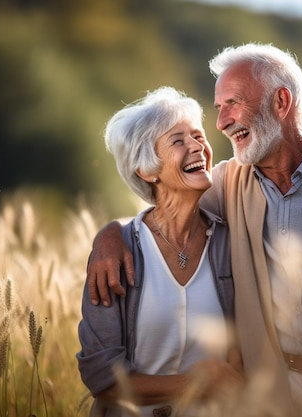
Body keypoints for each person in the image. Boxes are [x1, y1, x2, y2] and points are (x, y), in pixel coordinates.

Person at [86, 44, 302, 417]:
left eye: (232, 102)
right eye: (218, 109)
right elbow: (162, 212)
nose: (220, 123)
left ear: (281, 102)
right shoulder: (224, 183)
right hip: (265, 398)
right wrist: (110, 235)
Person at [76, 86, 243, 417]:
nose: (197, 146)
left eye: (198, 136)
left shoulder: (231, 242)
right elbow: (102, 377)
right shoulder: (118, 252)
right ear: (147, 169)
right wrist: (198, 382)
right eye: (178, 141)